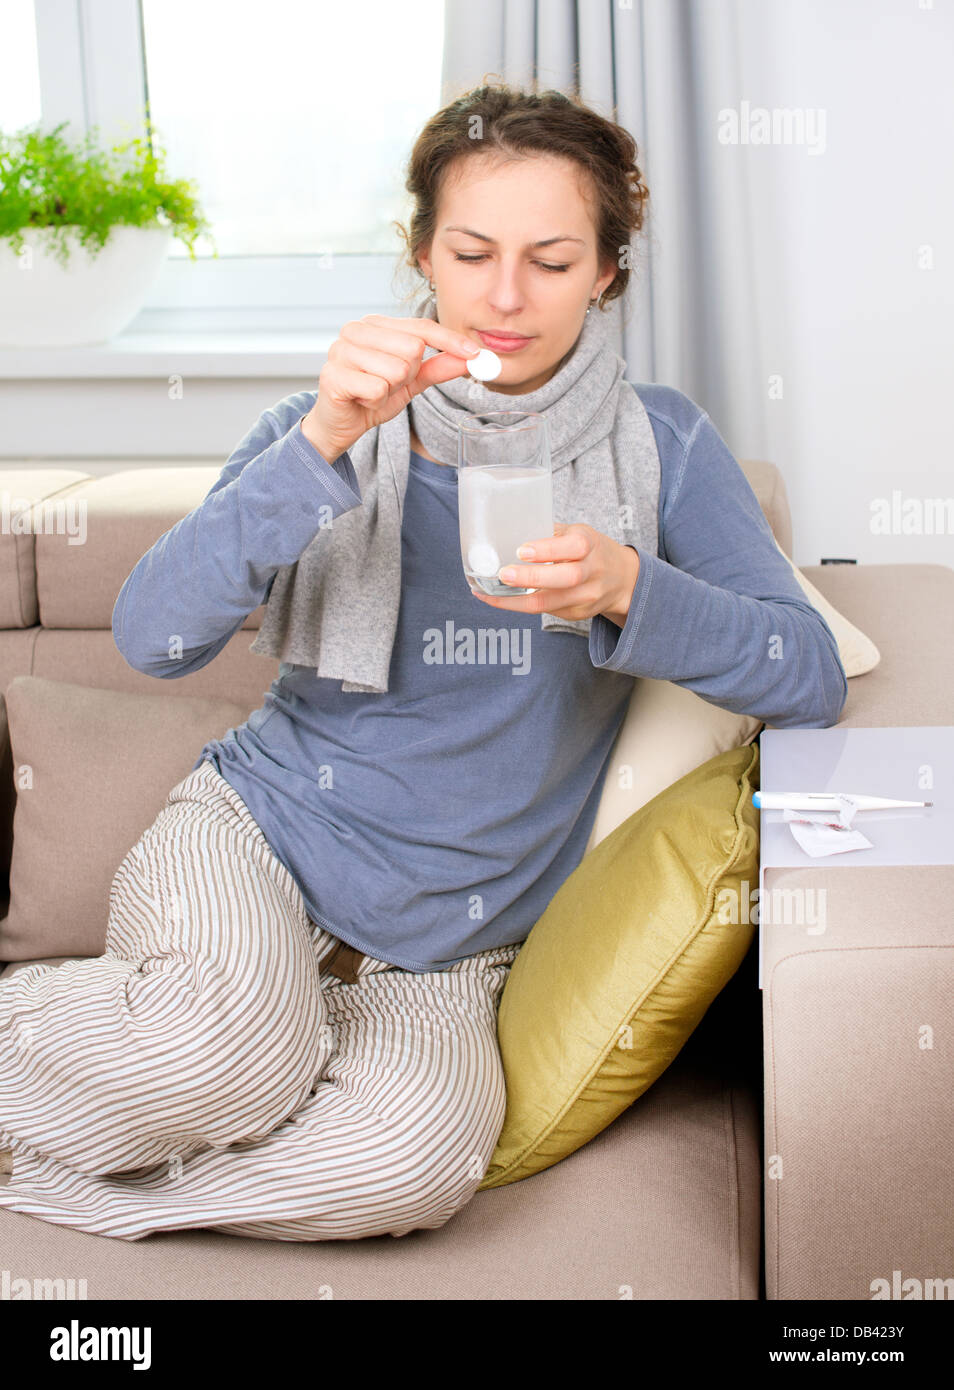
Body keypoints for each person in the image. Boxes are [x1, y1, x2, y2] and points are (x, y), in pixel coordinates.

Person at [0, 83, 846, 1242]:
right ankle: (172, 1041)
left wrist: (630, 588)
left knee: (409, 1164)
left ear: (607, 271)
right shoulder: (328, 419)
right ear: (422, 256)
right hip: (264, 840)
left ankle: (68, 1170)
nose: (505, 297)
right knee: (219, 1055)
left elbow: (806, 672)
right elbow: (156, 638)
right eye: (472, 251)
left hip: (460, 942)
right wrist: (324, 445)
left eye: (552, 260)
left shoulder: (663, 444)